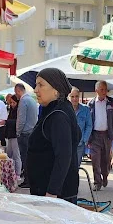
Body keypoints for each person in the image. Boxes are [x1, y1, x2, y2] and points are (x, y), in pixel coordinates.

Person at [27, 68, 81, 203]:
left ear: (56, 90)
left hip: (54, 196)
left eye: (41, 85)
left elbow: (64, 156)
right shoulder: (57, 110)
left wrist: (52, 192)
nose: (35, 90)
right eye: (36, 85)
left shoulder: (58, 115)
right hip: (51, 192)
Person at [88, 81, 113, 191]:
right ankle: (97, 182)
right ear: (96, 90)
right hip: (95, 135)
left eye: (105, 89)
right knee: (95, 160)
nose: (104, 92)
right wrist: (88, 138)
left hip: (107, 135)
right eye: (102, 89)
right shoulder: (91, 104)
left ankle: (105, 176)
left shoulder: (111, 103)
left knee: (106, 160)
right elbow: (88, 121)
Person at [15, 82, 39, 185]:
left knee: (25, 158)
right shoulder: (32, 100)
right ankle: (31, 180)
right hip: (32, 132)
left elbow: (21, 120)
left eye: (16, 92)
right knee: (30, 158)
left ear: (18, 91)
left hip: (25, 134)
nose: (16, 94)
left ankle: (28, 180)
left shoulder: (23, 101)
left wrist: (18, 132)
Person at [69, 87, 93, 169]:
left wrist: (84, 140)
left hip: (79, 145)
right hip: (67, 144)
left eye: (76, 96)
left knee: (76, 167)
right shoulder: (65, 109)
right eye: (72, 96)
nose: (74, 99)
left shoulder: (85, 109)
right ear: (69, 97)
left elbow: (89, 125)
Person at [4, 93, 22, 181]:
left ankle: (18, 174)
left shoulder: (18, 111)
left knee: (16, 155)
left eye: (13, 103)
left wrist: (6, 122)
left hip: (15, 135)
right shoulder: (11, 110)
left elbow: (17, 122)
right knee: (9, 154)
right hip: (10, 135)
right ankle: (10, 172)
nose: (12, 104)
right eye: (10, 103)